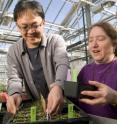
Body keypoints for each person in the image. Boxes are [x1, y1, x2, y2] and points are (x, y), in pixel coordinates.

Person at [6, 0, 69, 115]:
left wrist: (58, 86)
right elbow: (14, 78)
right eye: (24, 27)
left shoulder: (55, 41)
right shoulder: (14, 51)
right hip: (37, 105)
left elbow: (62, 64)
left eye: (35, 25)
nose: (30, 31)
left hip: (62, 102)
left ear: (43, 22)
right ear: (17, 27)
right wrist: (14, 94)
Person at [77, 21, 117, 119]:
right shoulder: (84, 71)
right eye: (90, 40)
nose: (94, 44)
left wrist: (115, 98)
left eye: (100, 39)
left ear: (114, 44)